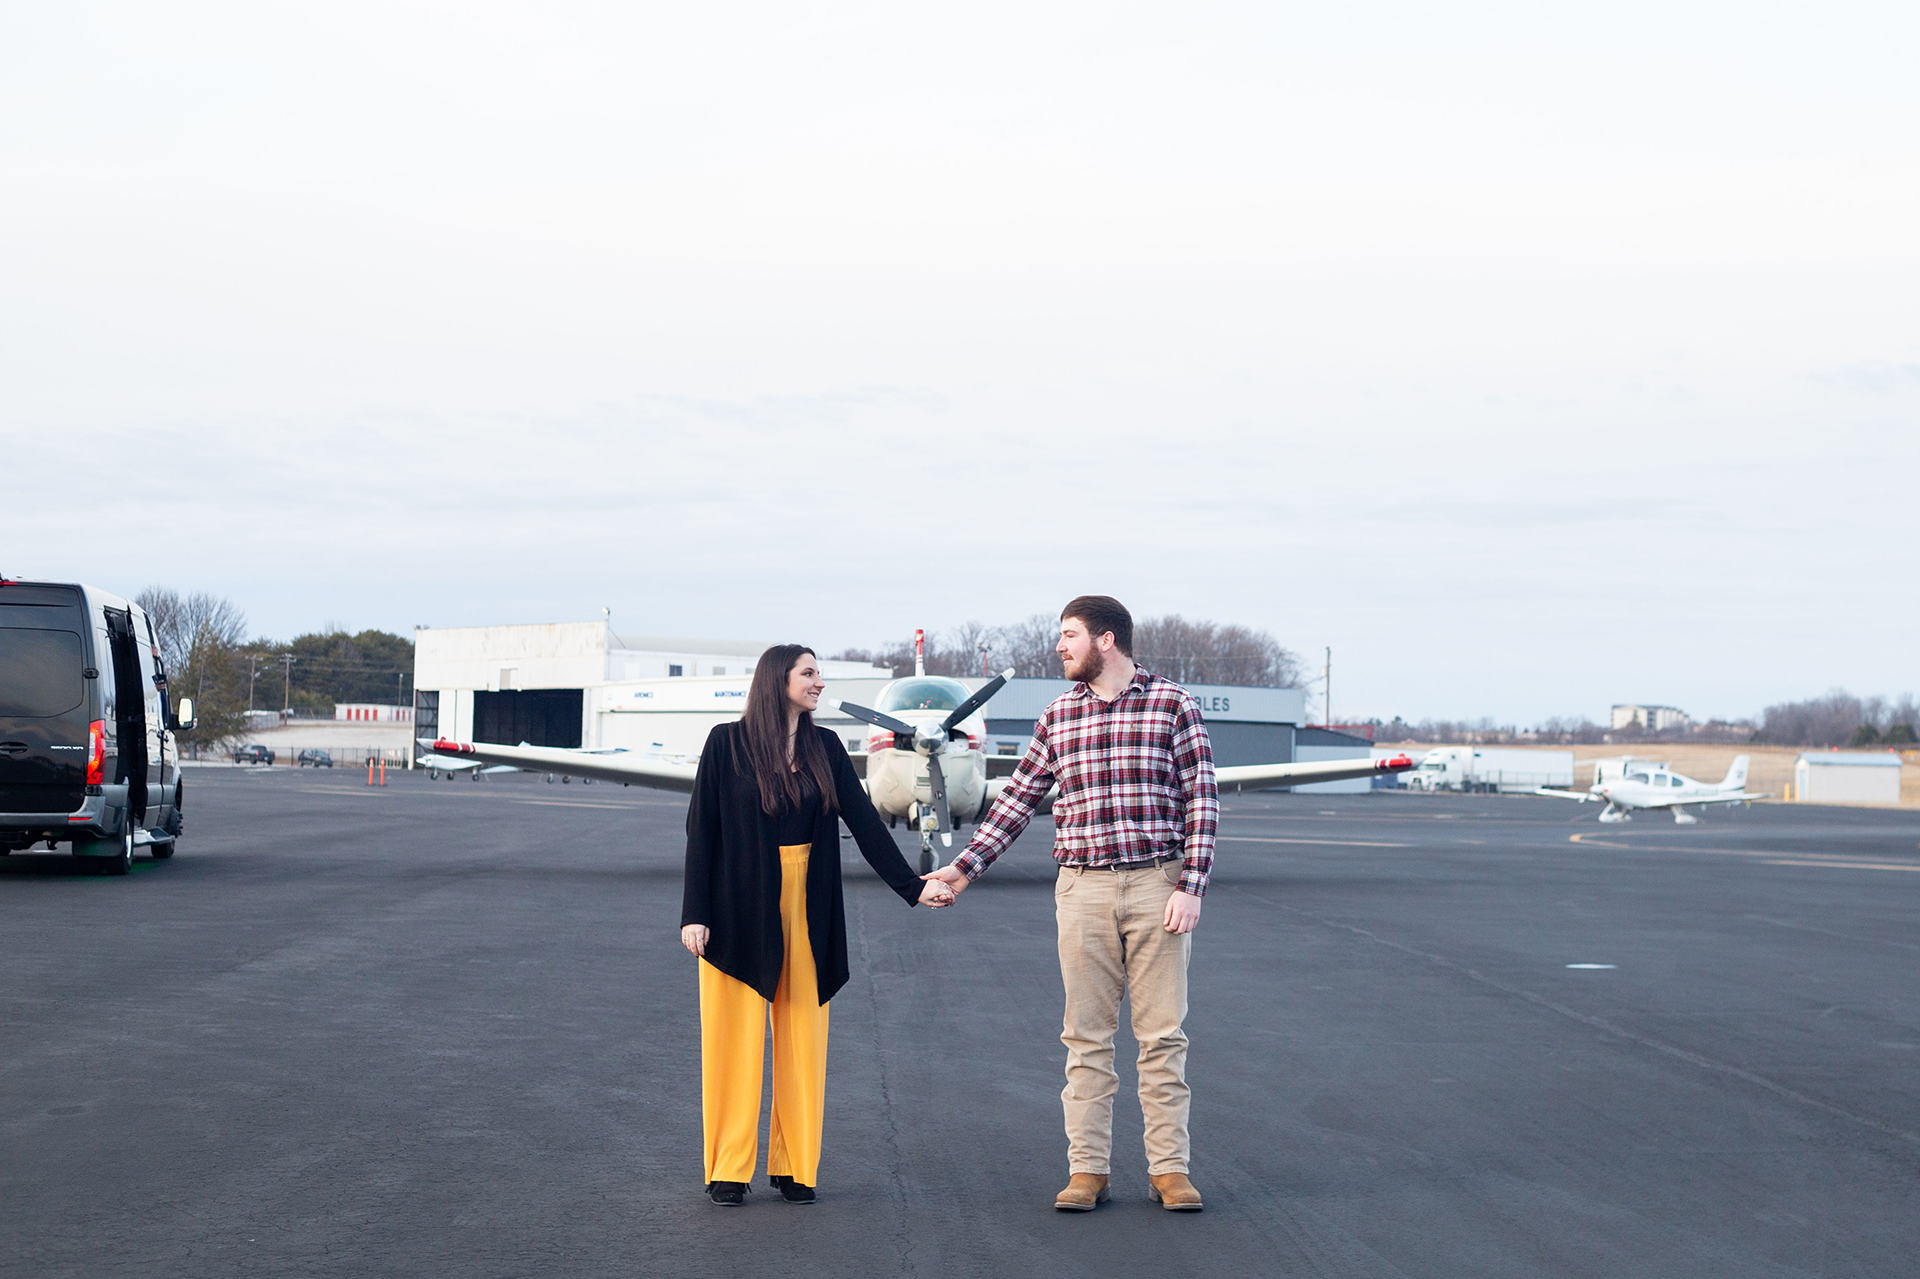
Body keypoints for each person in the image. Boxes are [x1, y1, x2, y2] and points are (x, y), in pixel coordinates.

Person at [924, 596, 1217, 1212]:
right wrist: (964, 868)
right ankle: (1088, 1170)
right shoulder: (1059, 716)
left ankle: (1170, 1171)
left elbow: (1202, 801)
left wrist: (1191, 887)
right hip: (1081, 889)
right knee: (1085, 1039)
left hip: (1156, 885)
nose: (1060, 646)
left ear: (1105, 641)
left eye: (1070, 635)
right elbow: (1018, 798)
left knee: (1162, 1038)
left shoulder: (1173, 704)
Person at [682, 644, 954, 1207]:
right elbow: (701, 833)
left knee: (804, 1034)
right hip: (737, 901)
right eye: (809, 673)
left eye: (818, 673)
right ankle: (729, 1168)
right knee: (731, 1038)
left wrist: (913, 887)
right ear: (777, 679)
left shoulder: (825, 747)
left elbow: (866, 823)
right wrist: (694, 914)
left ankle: (795, 1165)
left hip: (808, 899)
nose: (819, 682)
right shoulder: (724, 743)